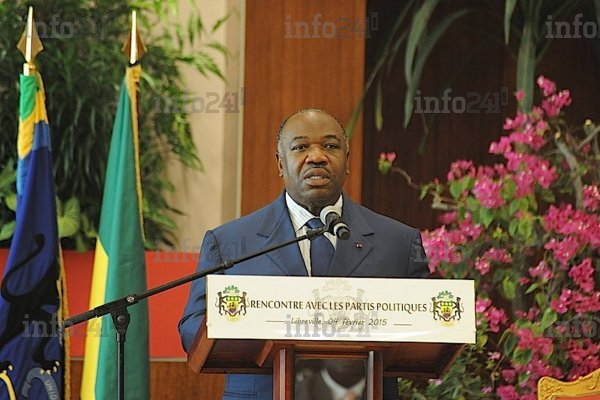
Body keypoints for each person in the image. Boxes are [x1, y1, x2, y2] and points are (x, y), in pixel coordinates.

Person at [178, 108, 430, 400]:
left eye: (330, 146)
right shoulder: (230, 242)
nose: (317, 156)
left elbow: (427, 328)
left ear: (347, 161)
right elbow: (192, 328)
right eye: (300, 147)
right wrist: (256, 328)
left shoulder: (398, 242)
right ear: (280, 163)